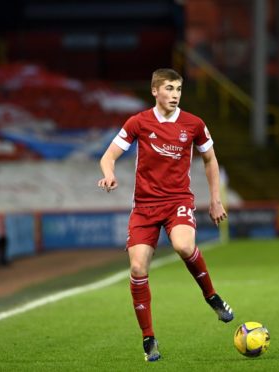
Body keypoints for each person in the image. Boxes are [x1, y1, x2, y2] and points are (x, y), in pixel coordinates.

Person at [98, 68, 233, 362]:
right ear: (155, 91)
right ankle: (149, 339)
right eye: (169, 89)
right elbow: (108, 156)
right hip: (144, 208)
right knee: (137, 269)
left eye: (179, 89)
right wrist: (108, 175)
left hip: (177, 202)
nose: (175, 95)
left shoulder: (194, 124)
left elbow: (210, 160)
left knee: (184, 245)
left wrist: (215, 200)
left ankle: (211, 296)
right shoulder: (139, 122)